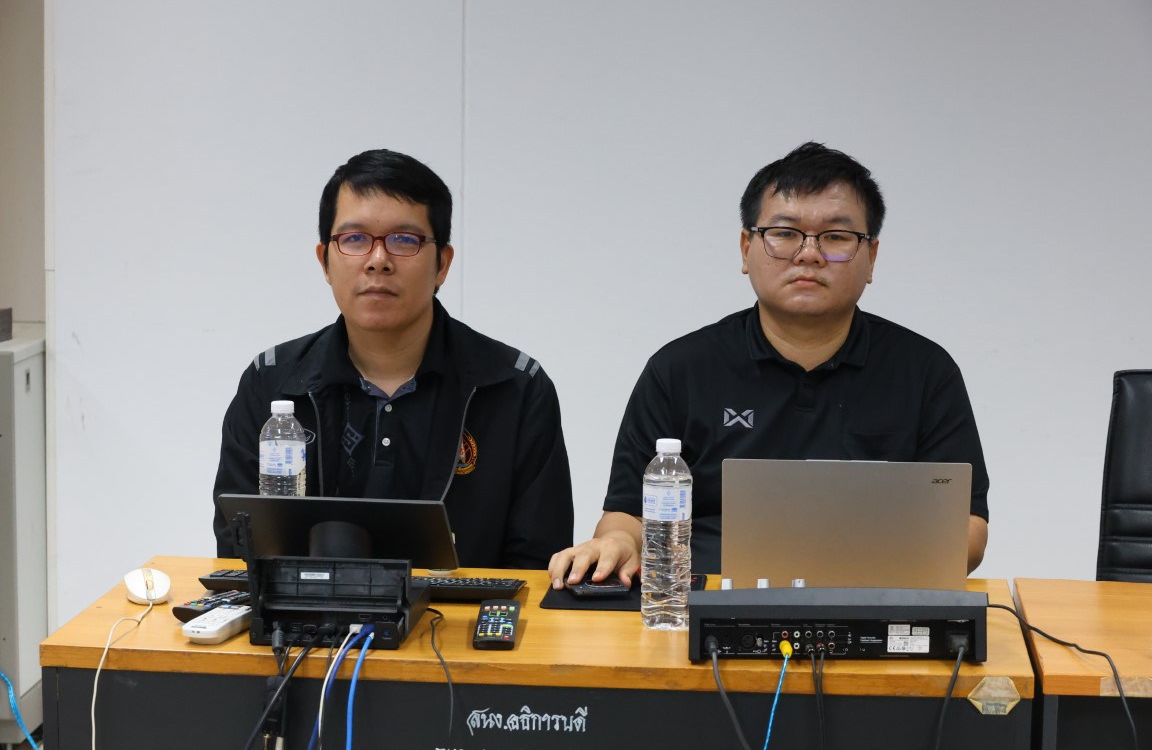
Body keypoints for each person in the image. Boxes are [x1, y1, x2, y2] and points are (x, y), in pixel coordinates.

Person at [549, 141, 989, 588]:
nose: (809, 254)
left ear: (871, 257)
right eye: (785, 233)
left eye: (836, 237)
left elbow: (969, 529)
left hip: (871, 596)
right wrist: (617, 542)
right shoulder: (680, 370)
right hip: (708, 600)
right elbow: (627, 514)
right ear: (746, 248)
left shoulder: (926, 372)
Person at [213, 148, 573, 569]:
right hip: (304, 613)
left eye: (404, 240)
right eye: (354, 239)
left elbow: (537, 564)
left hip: (464, 612)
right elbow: (239, 549)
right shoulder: (271, 382)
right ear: (324, 261)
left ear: (442, 265)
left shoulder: (515, 388)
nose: (378, 261)